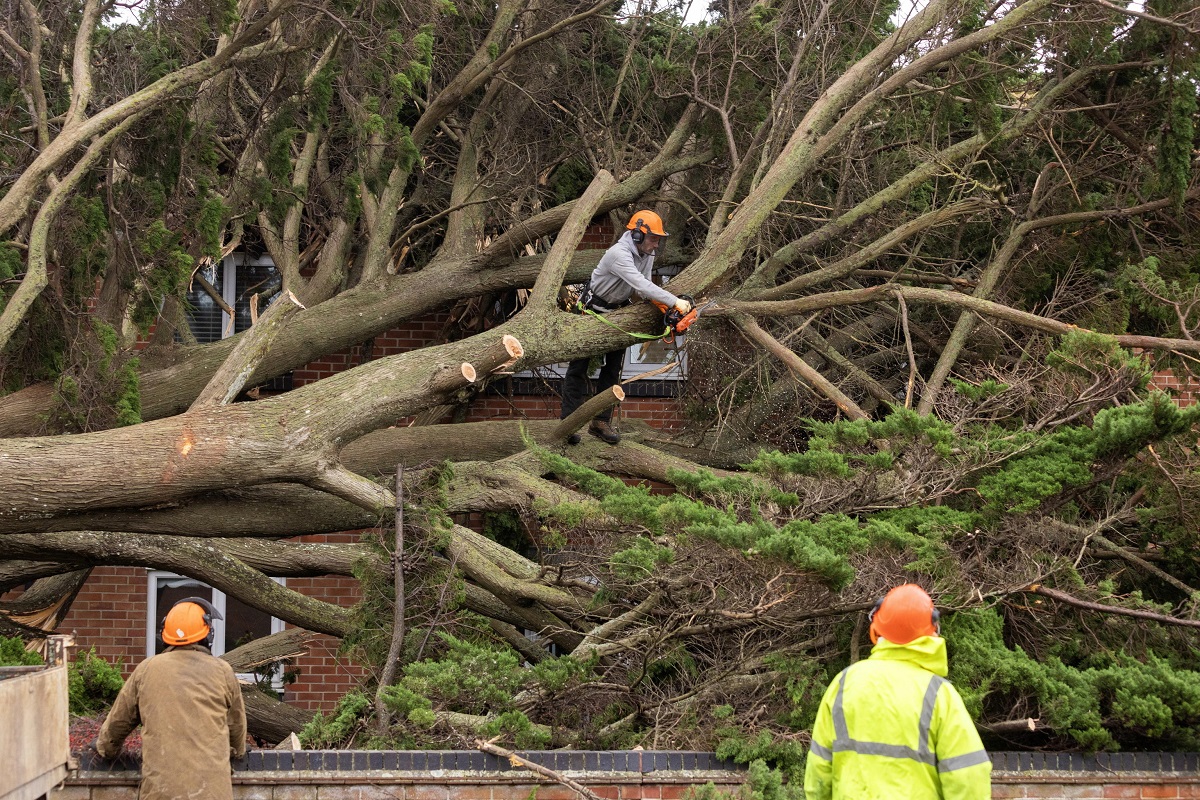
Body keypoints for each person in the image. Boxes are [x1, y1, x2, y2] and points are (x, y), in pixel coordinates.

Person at [804, 584, 991, 800]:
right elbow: (968, 777)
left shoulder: (844, 684)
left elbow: (819, 773)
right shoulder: (938, 694)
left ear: (876, 627)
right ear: (932, 632)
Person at [95, 597, 248, 800]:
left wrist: (106, 750)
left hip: (160, 792)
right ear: (208, 634)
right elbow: (236, 728)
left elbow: (117, 724)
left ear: (164, 634)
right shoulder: (222, 671)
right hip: (212, 793)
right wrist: (237, 752)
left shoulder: (146, 670)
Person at [561, 209, 692, 445]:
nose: (656, 245)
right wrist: (674, 301)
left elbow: (646, 287)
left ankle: (601, 422)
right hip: (592, 311)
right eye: (653, 239)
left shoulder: (647, 254)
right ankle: (567, 424)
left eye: (658, 240)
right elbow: (639, 284)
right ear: (638, 235)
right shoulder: (618, 254)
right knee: (578, 369)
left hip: (618, 311)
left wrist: (663, 307)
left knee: (612, 370)